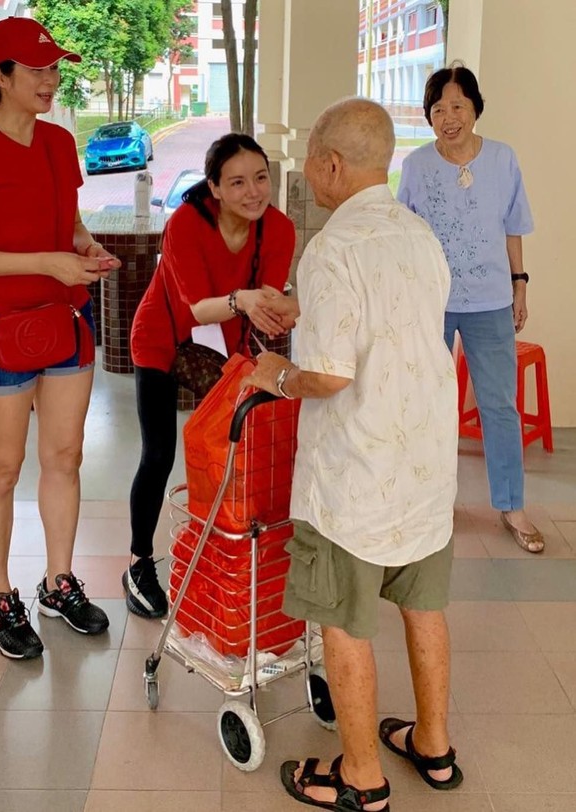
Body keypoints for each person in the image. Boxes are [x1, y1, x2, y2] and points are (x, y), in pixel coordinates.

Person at [243, 98, 462, 811]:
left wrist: (275, 372)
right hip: (425, 464)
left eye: (308, 159)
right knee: (423, 608)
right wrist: (303, 314)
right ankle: (433, 747)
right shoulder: (417, 233)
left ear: (332, 166)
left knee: (343, 618)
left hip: (358, 476)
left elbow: (332, 376)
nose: (305, 174)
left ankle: (361, 778)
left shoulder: (333, 246)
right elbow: (388, 326)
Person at [0, 17, 120, 659]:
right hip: (0, 331)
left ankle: (58, 582)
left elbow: (67, 228)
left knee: (64, 459)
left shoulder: (58, 143)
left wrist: (88, 251)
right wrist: (47, 263)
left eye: (54, 68)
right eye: (36, 69)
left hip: (66, 323)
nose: (50, 79)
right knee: (2, 468)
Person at [124, 133, 296, 619]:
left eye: (261, 178)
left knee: (239, 446)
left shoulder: (278, 228)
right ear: (215, 188)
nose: (253, 191)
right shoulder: (186, 224)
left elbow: (269, 305)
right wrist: (247, 302)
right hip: (163, 337)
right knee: (158, 452)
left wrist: (285, 312)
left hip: (226, 344)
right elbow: (198, 309)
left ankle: (229, 546)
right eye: (237, 182)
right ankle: (139, 563)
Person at [398, 64, 543, 554]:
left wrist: (520, 285)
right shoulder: (417, 165)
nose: (448, 117)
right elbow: (406, 234)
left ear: (475, 108)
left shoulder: (502, 159)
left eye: (458, 106)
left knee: (499, 405)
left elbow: (513, 227)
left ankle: (512, 506)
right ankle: (429, 503)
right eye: (438, 109)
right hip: (430, 302)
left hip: (490, 300)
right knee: (426, 404)